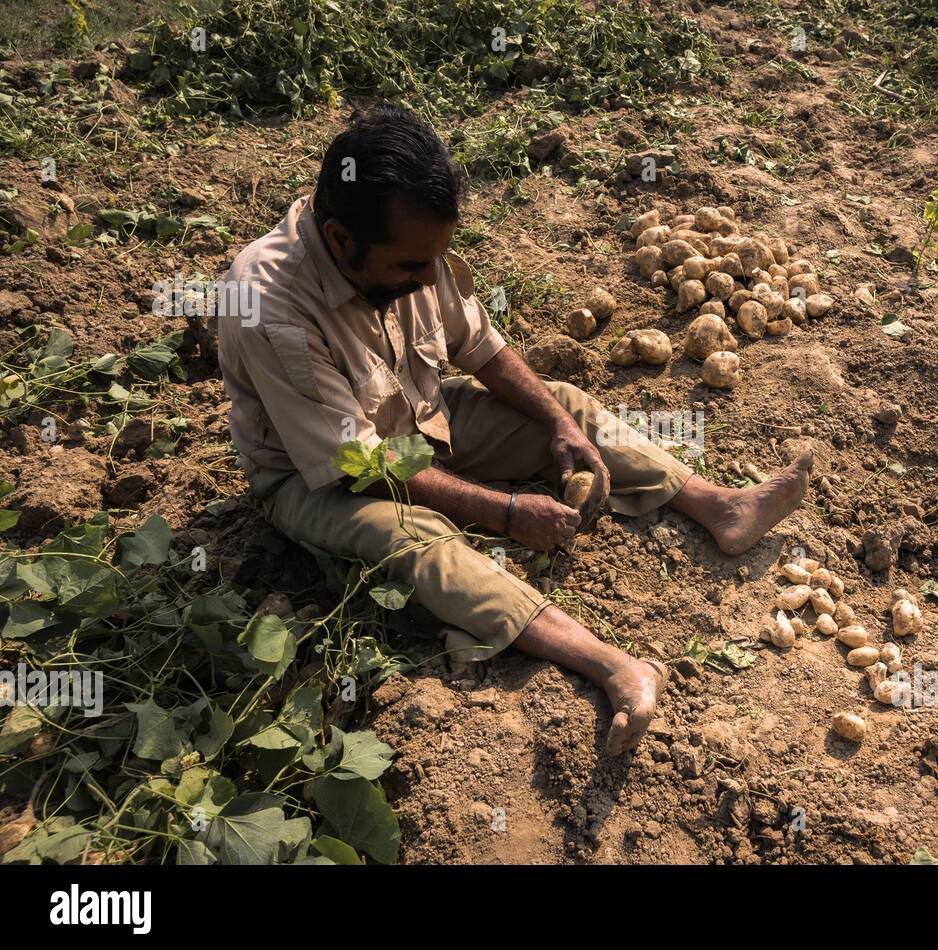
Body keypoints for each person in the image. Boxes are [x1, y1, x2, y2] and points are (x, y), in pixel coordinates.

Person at [217, 104, 812, 754]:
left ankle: (719, 507)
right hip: (321, 477)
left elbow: (479, 345)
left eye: (434, 261)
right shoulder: (268, 306)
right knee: (416, 538)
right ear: (339, 241)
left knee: (558, 403)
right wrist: (503, 512)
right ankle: (611, 664)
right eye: (412, 268)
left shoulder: (409, 238)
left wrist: (556, 423)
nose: (427, 277)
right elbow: (362, 462)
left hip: (417, 421)